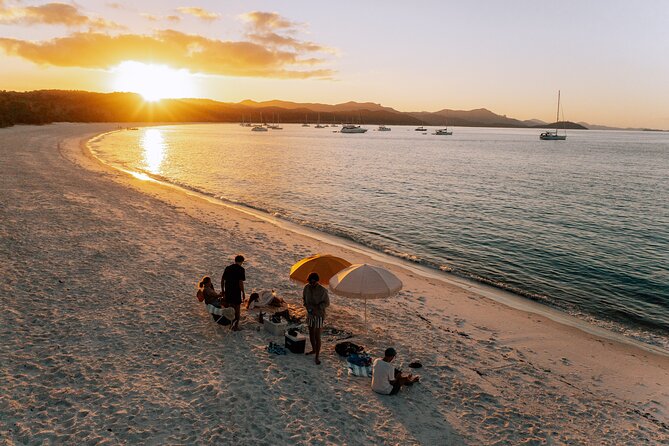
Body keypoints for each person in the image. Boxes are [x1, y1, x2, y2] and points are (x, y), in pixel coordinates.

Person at [302, 272, 329, 365]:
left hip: (319, 315)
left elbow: (327, 303)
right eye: (310, 282)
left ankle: (317, 356)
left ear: (317, 281)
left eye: (313, 282)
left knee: (317, 336)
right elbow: (304, 299)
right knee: (311, 333)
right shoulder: (306, 287)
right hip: (310, 315)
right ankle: (313, 350)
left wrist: (317, 307)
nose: (311, 284)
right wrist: (307, 306)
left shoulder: (322, 290)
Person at [222, 255, 246, 331]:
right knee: (237, 309)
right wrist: (243, 292)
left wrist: (223, 291)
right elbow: (240, 282)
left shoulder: (228, 268)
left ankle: (230, 323)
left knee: (230, 308)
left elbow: (222, 280)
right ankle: (235, 326)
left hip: (228, 291)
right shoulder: (241, 269)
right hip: (236, 292)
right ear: (241, 261)